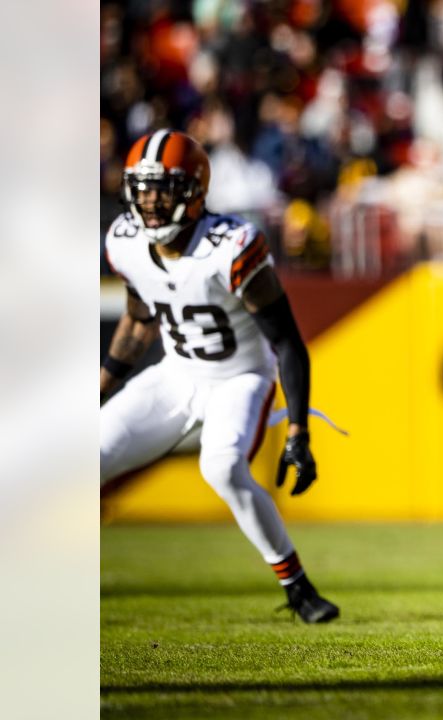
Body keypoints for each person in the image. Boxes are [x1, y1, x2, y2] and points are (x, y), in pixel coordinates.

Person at [100, 130, 339, 623]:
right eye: (141, 189)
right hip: (176, 375)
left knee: (223, 467)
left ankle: (297, 587)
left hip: (240, 377)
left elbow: (288, 341)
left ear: (192, 191)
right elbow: (140, 318)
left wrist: (298, 430)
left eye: (161, 188)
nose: (148, 201)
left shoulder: (230, 246)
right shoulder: (124, 241)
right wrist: (98, 389)